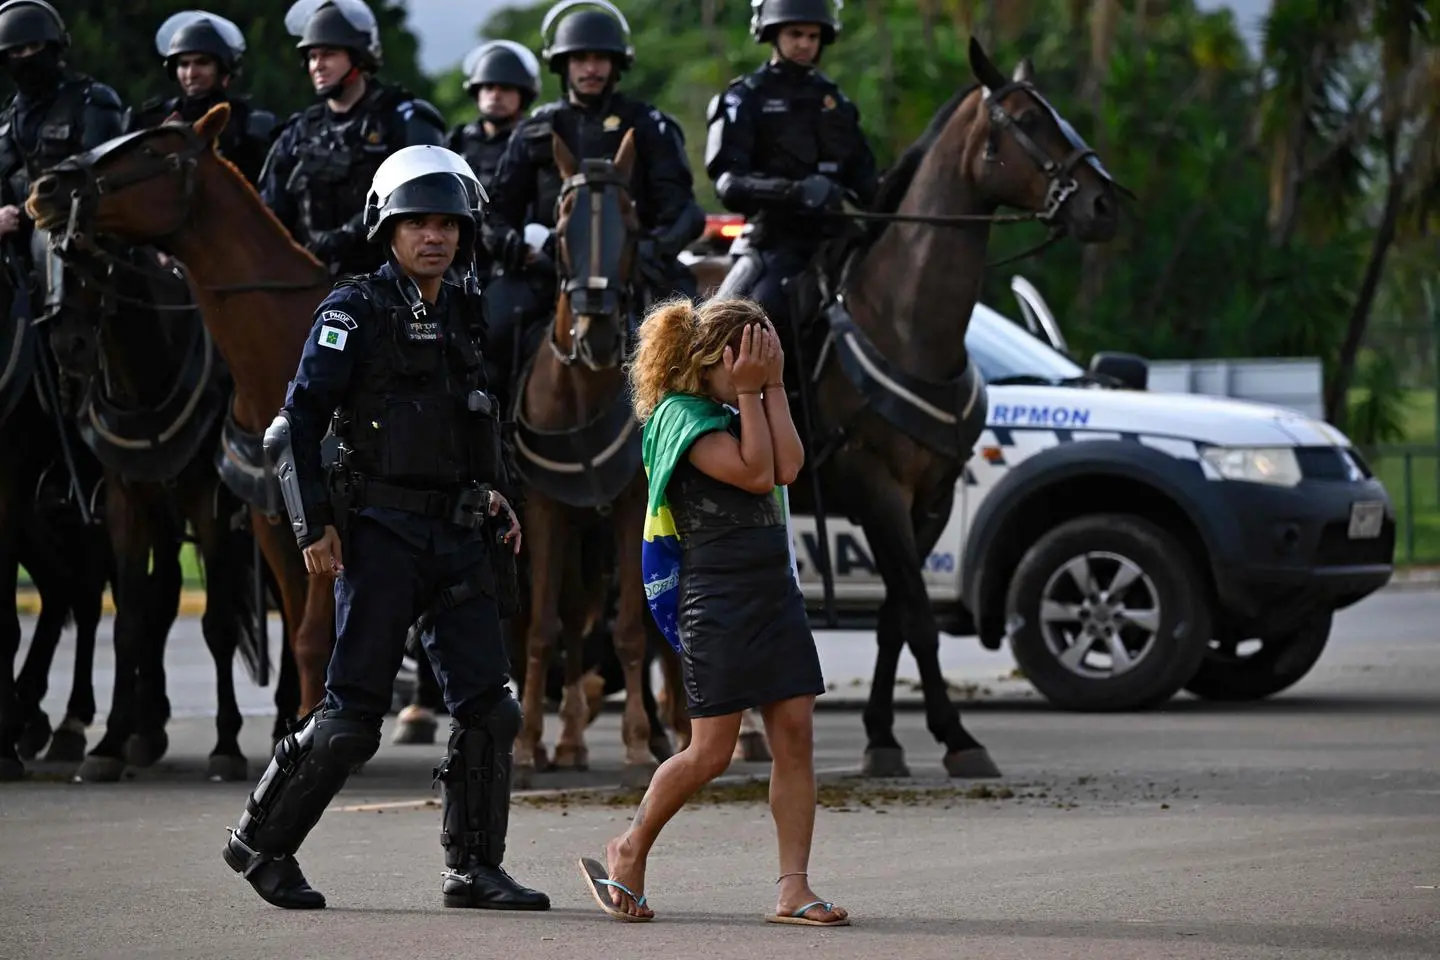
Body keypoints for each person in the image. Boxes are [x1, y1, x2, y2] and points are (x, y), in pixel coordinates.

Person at [221, 144, 549, 914]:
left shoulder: (468, 307)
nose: (433, 237)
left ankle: (472, 870)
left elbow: (478, 418)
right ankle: (261, 846)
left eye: (446, 223)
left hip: (458, 533)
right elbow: (296, 424)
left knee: (490, 708)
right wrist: (314, 528)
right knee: (349, 722)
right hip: (378, 534)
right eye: (416, 223)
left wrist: (496, 495)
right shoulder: (352, 310)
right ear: (387, 228)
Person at [576, 296, 848, 927]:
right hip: (715, 598)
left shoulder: (736, 407)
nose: (756, 371)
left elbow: (787, 464)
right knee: (711, 751)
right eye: (749, 360)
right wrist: (754, 393)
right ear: (714, 361)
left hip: (772, 592)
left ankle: (794, 889)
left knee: (796, 736)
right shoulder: (676, 417)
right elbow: (755, 473)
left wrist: (771, 385)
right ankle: (629, 847)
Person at [480, 0, 705, 402]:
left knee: (695, 335)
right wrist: (510, 244)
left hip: (633, 270)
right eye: (580, 58)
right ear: (562, 64)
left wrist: (655, 249)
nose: (591, 68)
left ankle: (698, 441)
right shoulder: (534, 130)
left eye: (600, 58)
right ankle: (489, 438)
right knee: (489, 324)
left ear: (616, 65)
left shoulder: (647, 124)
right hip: (547, 270)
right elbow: (495, 211)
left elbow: (684, 209)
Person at [705, 0, 877, 334]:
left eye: (813, 36)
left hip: (837, 240)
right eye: (795, 34)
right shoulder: (744, 98)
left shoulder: (837, 103)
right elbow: (728, 183)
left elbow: (867, 183)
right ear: (772, 34)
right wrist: (794, 192)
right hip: (772, 242)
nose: (804, 44)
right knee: (737, 324)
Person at [260, 0, 447, 278]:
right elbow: (269, 210)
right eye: (312, 56)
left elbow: (428, 199)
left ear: (358, 58)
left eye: (329, 54)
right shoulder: (298, 132)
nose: (317, 66)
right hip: (308, 282)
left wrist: (350, 234)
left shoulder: (403, 118)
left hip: (393, 279)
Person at [0, 0, 124, 253]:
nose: (27, 58)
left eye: (35, 46)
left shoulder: (92, 102)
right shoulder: (4, 122)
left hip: (82, 242)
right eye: (17, 51)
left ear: (55, 47)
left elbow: (102, 179)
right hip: (14, 252)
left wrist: (27, 213)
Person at [126, 11, 277, 186]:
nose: (191, 74)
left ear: (223, 69)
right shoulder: (151, 120)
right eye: (184, 64)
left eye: (202, 63)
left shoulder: (249, 124)